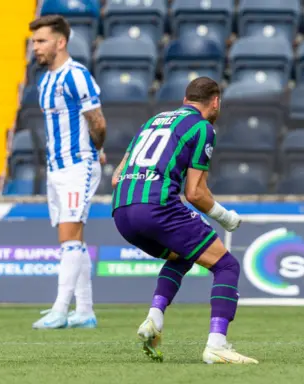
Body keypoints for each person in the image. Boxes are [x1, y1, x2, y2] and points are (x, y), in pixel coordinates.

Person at [110, 77, 258, 365]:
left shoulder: (154, 120)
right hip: (156, 207)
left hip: (122, 212)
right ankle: (217, 345)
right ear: (215, 101)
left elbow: (117, 175)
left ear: (185, 98)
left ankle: (154, 320)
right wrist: (226, 218)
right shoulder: (203, 127)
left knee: (183, 256)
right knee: (226, 265)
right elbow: (195, 193)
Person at [30, 15, 106, 329]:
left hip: (78, 164)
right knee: (73, 239)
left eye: (41, 41)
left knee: (68, 236)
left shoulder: (76, 75)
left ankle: (61, 309)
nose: (36, 47)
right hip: (56, 167)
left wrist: (96, 151)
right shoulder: (45, 80)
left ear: (61, 42)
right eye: (34, 42)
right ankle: (85, 311)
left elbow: (97, 121)